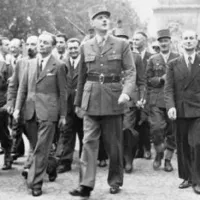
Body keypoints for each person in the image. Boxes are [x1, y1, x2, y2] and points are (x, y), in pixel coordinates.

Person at [69, 5, 136, 199]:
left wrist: (126, 93)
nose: (104, 20)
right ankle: (85, 185)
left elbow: (131, 72)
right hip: (90, 101)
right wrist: (78, 103)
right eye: (100, 18)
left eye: (106, 17)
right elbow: (81, 77)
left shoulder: (121, 45)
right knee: (88, 142)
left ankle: (115, 180)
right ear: (92, 23)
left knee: (113, 145)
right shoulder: (85, 45)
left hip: (114, 99)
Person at [13, 33, 67, 197]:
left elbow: (63, 93)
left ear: (52, 46)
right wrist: (17, 109)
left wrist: (63, 115)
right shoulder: (29, 64)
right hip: (30, 111)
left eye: (45, 43)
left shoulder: (58, 65)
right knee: (38, 148)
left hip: (48, 112)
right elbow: (22, 88)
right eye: (40, 42)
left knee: (42, 149)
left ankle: (35, 183)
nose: (41, 45)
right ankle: (51, 167)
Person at [165, 30, 200, 194]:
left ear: (196, 41)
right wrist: (171, 106)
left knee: (197, 143)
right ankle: (187, 177)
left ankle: (197, 179)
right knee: (183, 145)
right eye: (185, 38)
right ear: (181, 42)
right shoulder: (173, 64)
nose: (188, 41)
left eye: (191, 38)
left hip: (198, 110)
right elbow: (168, 89)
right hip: (180, 110)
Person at [146, 29, 179, 172]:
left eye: (166, 41)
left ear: (170, 42)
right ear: (158, 43)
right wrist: (160, 79)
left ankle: (167, 160)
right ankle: (159, 153)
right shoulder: (153, 59)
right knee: (156, 128)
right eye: (161, 41)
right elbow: (147, 79)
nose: (163, 43)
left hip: (173, 100)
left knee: (172, 131)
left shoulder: (178, 57)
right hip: (157, 99)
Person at [114, 29, 146, 173]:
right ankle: (117, 158)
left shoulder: (136, 57)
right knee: (114, 131)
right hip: (112, 98)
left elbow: (141, 81)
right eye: (118, 38)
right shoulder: (110, 56)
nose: (121, 42)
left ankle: (128, 159)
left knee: (128, 130)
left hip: (130, 101)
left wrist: (140, 98)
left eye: (124, 39)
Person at [7, 35, 38, 169]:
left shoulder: (46, 63)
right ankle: (45, 164)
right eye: (28, 45)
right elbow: (14, 85)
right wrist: (11, 103)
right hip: (25, 108)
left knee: (38, 140)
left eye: (34, 44)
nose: (30, 48)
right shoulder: (21, 63)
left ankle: (31, 166)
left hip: (43, 108)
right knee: (32, 137)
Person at [56, 37, 84, 173]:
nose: (73, 50)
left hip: (82, 104)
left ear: (80, 48)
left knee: (84, 133)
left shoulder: (85, 63)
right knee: (67, 133)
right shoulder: (62, 64)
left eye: (75, 48)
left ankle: (85, 161)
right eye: (71, 48)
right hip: (67, 105)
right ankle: (65, 162)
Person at [132, 31, 152, 159]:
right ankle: (137, 149)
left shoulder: (151, 56)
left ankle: (147, 148)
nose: (134, 42)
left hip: (147, 92)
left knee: (144, 121)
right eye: (133, 39)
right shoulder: (130, 56)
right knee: (133, 121)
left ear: (145, 41)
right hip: (133, 92)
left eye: (137, 39)